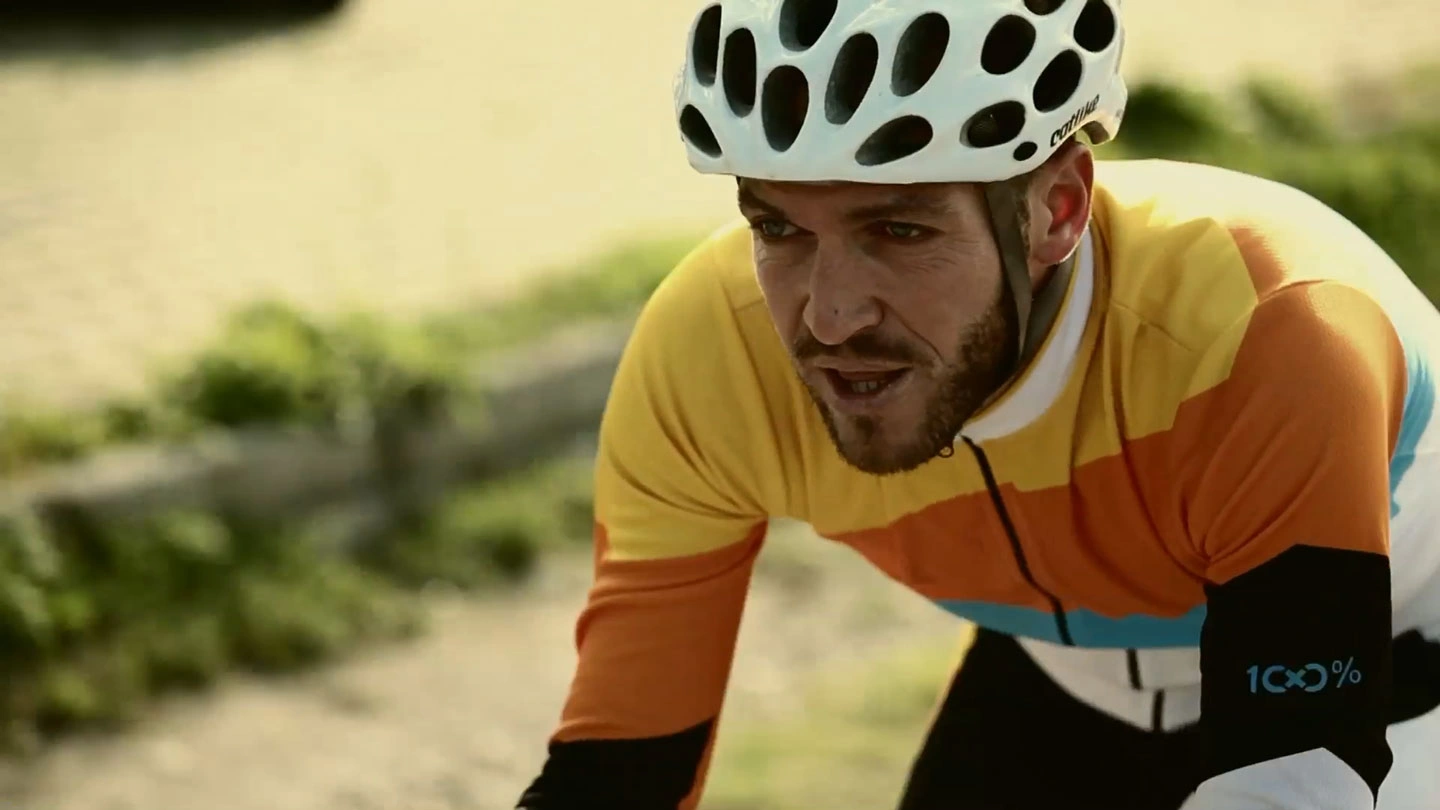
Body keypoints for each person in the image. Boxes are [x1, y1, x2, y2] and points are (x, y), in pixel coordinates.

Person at [517, 0, 1440, 807]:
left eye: (899, 229)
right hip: (1070, 678)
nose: (830, 316)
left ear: (1056, 210)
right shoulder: (715, 355)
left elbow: (1294, 778)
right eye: (778, 226)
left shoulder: (1261, 330)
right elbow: (619, 768)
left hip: (1398, 659)